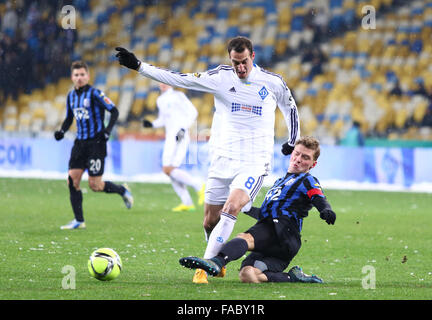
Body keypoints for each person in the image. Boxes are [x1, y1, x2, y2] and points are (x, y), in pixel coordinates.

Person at [116, 36, 300, 283]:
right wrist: (140, 66)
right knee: (209, 221)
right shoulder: (220, 78)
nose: (240, 68)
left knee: (232, 207)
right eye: (236, 63)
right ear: (230, 60)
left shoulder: (272, 82)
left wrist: (292, 139)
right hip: (223, 159)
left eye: (244, 61)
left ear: (252, 56)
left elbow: (290, 107)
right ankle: (218, 259)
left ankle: (206, 267)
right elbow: (180, 78)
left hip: (254, 161)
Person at [179, 136, 336, 284]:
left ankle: (216, 262)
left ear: (312, 164)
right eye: (297, 154)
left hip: (284, 231)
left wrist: (326, 210)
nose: (299, 159)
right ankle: (292, 277)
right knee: (247, 274)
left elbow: (318, 197)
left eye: (305, 157)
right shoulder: (280, 181)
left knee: (245, 237)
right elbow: (265, 213)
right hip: (279, 242)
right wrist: (244, 208)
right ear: (292, 154)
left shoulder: (307, 180)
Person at [54, 61, 134, 230]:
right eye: (76, 75)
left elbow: (114, 111)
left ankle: (122, 190)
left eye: (82, 74)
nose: (79, 78)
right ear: (72, 77)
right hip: (80, 144)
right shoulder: (71, 96)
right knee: (72, 180)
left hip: (96, 143)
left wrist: (107, 131)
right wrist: (61, 131)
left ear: (88, 76)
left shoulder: (96, 93)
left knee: (95, 185)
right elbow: (70, 118)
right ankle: (79, 220)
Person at [143, 83, 204, 212]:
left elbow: (193, 112)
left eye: (165, 81)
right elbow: (163, 120)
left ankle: (199, 186)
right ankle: (187, 202)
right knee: (168, 170)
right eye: (160, 82)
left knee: (169, 168)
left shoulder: (178, 96)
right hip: (170, 136)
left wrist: (183, 128)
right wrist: (152, 124)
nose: (162, 84)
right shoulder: (160, 100)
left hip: (180, 135)